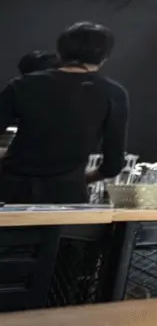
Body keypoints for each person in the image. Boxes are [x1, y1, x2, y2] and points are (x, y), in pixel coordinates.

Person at [0, 23, 128, 204]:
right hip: (67, 195)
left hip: (11, 190)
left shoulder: (22, 85)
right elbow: (113, 165)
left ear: (61, 51)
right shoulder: (113, 93)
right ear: (105, 56)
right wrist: (77, 181)